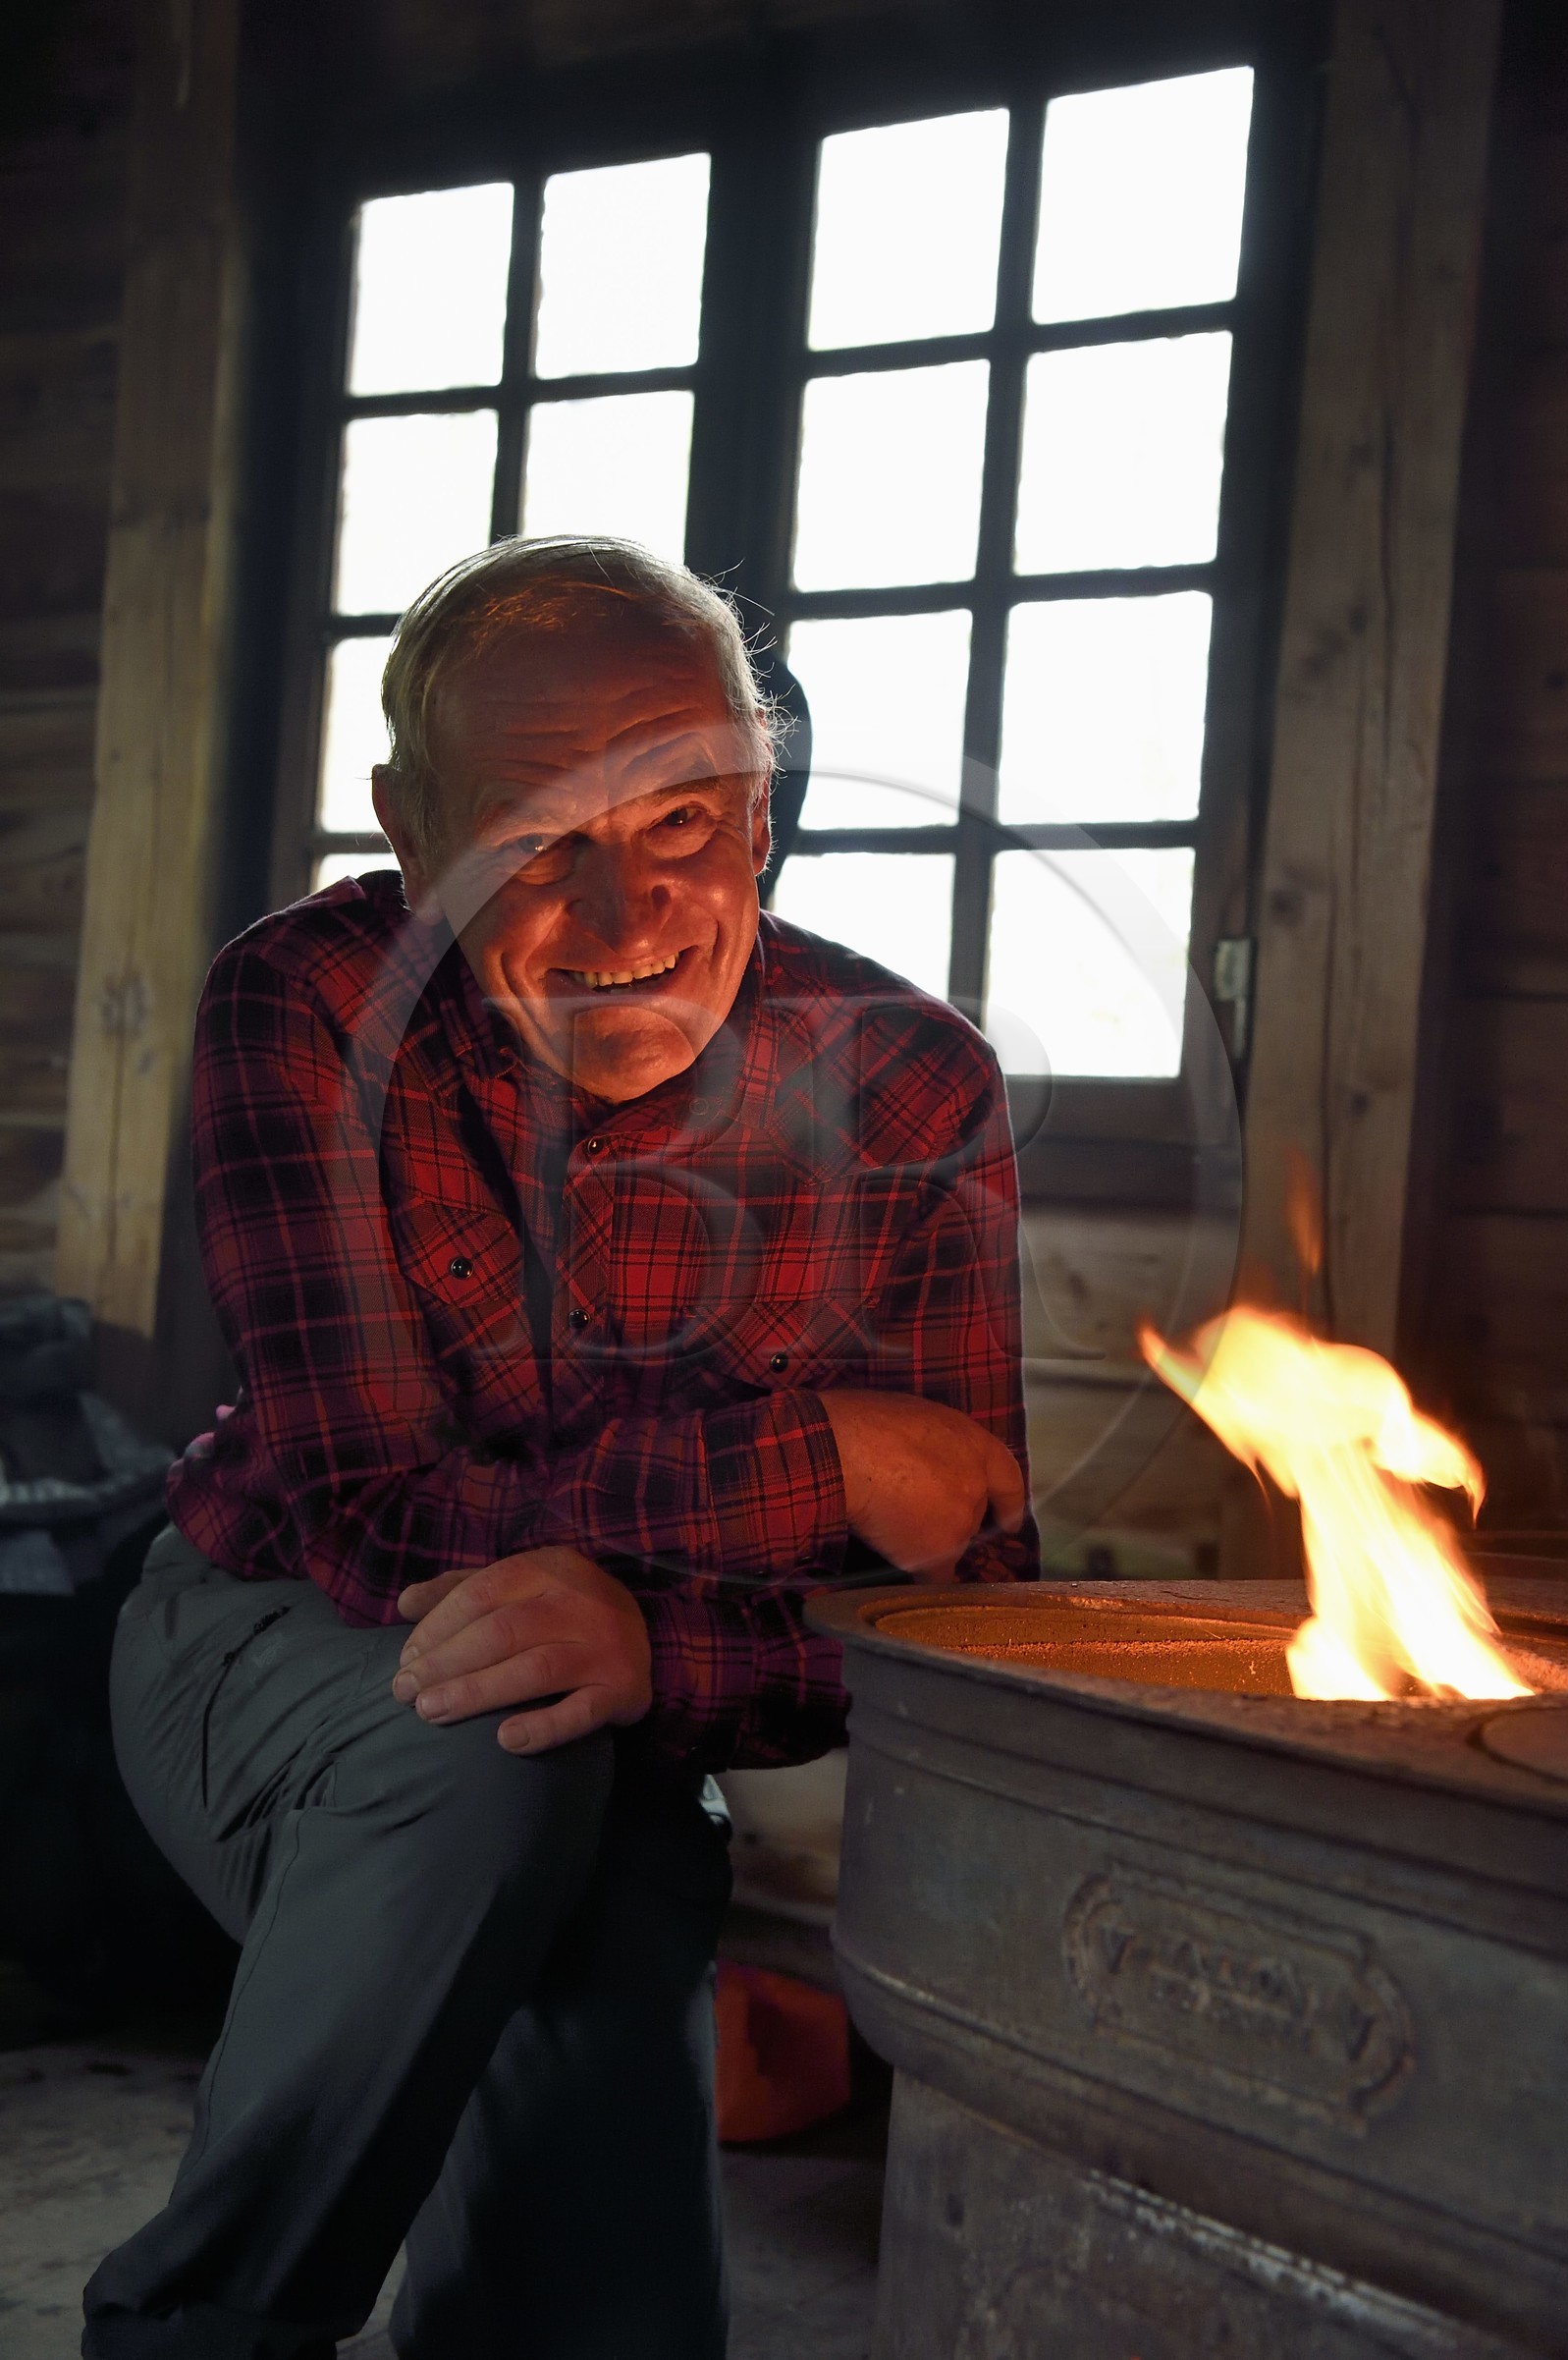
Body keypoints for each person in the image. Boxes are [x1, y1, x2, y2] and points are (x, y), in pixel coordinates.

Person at [82, 535, 1038, 2360]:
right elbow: (374, 1512)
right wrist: (823, 1461)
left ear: (761, 812)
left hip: (625, 1726)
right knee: (499, 1764)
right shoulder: (308, 1000)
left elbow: (966, 1605)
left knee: (606, 2290)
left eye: (684, 820)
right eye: (533, 840)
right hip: (265, 1626)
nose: (624, 916)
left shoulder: (920, 1088)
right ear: (410, 829)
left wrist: (658, 1648)